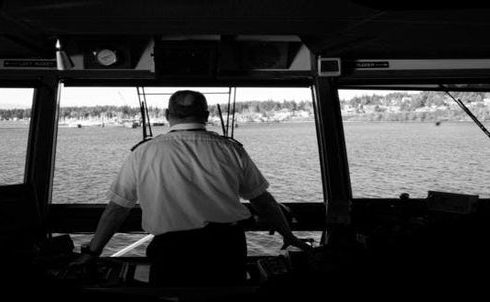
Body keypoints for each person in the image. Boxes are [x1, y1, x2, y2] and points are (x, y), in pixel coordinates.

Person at [70, 89, 313, 286]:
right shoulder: (230, 149)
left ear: (167, 114)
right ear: (206, 115)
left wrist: (92, 252)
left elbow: (117, 209)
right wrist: (288, 235)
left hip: (172, 252)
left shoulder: (144, 152)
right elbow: (263, 201)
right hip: (226, 249)